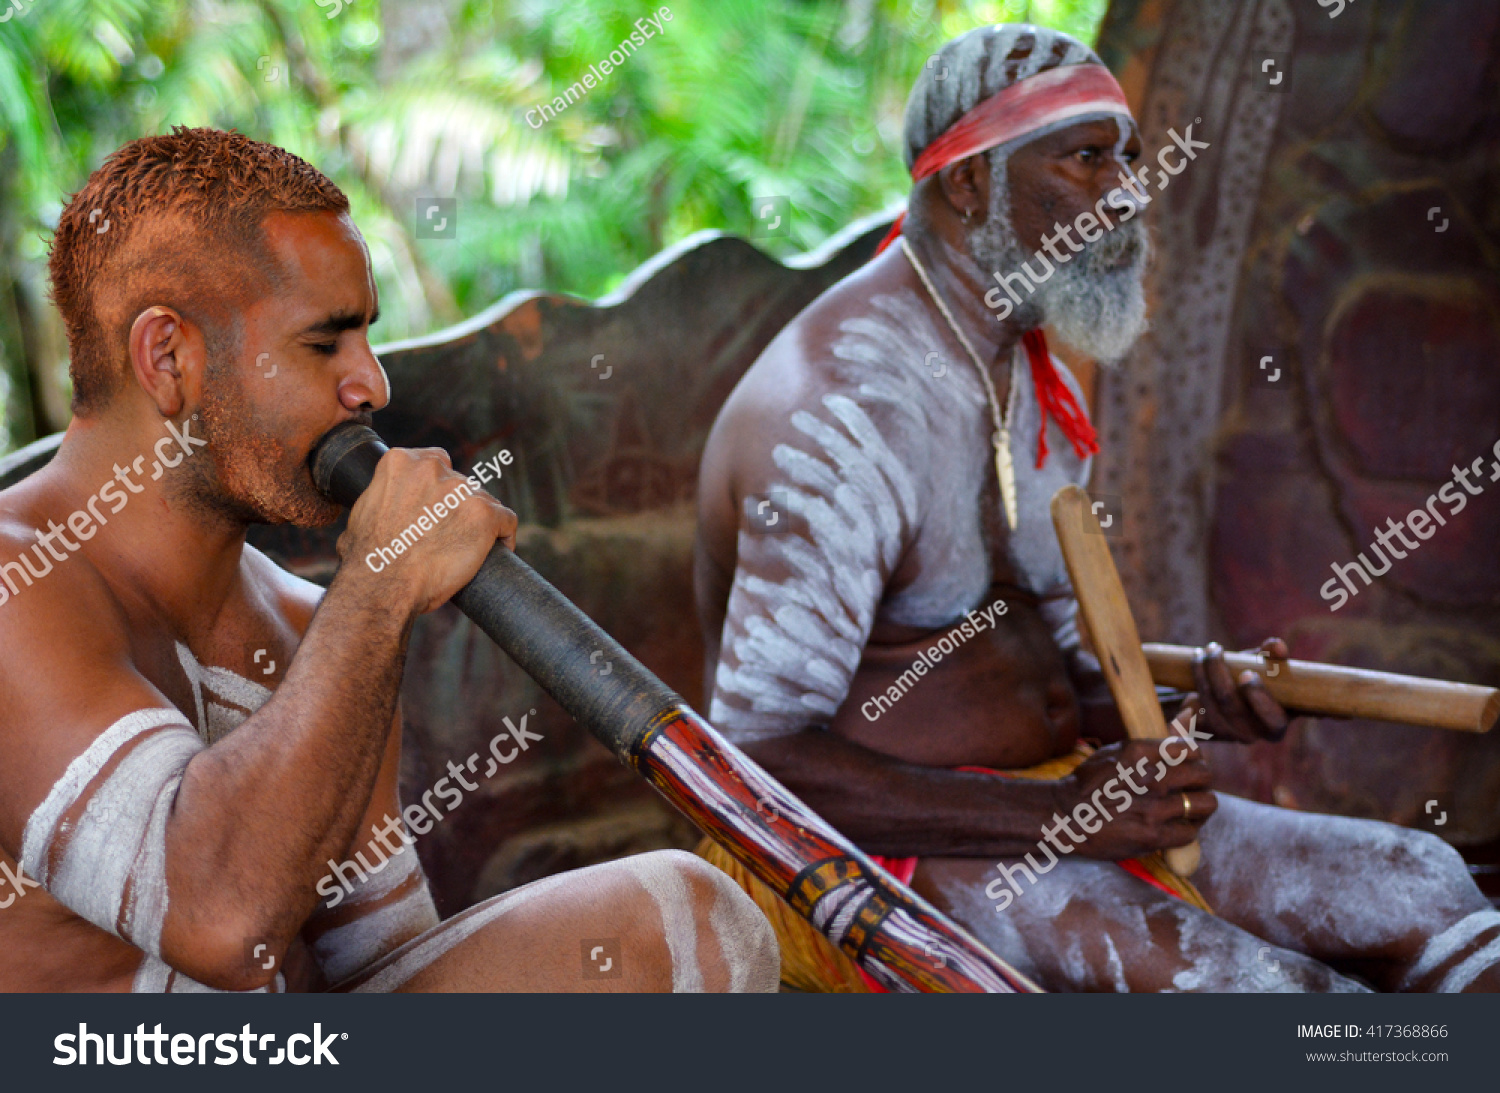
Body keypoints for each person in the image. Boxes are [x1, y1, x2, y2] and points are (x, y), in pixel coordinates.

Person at [693, 24, 1498, 993]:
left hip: (1049, 802)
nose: (1127, 192)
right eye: (1086, 159)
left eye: (1128, 155)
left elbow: (1043, 679)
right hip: (863, 858)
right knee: (1269, 993)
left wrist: (1198, 704)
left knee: (1429, 880)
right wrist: (1063, 812)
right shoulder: (839, 409)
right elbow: (756, 769)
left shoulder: (1026, 366)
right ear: (967, 185)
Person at [0, 128, 778, 994]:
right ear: (169, 357)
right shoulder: (16, 585)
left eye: (366, 337)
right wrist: (379, 586)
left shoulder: (307, 628)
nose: (372, 384)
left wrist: (366, 605)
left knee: (689, 921)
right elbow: (222, 925)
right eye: (324, 343)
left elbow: (381, 965)